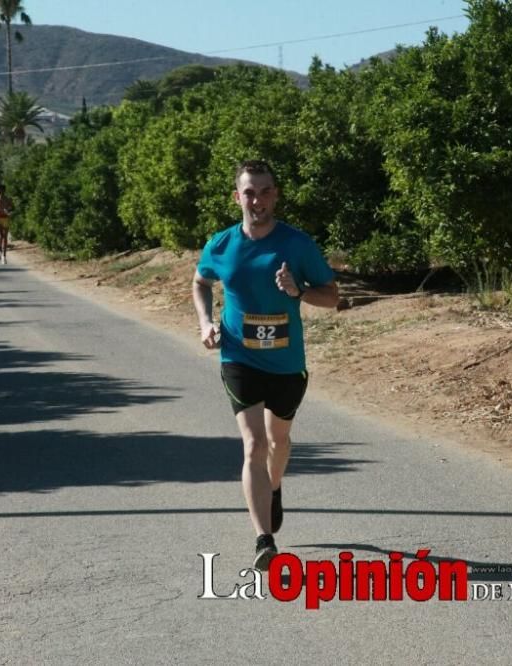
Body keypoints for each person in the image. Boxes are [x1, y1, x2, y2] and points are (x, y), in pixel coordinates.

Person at [192, 159, 339, 570]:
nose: (257, 200)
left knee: (280, 442)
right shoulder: (221, 245)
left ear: (276, 195)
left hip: (288, 364)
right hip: (238, 356)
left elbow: (333, 297)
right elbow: (201, 281)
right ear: (237, 197)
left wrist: (299, 290)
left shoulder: (297, 244)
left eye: (265, 191)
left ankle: (273, 488)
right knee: (254, 444)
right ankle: (264, 540)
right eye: (249, 192)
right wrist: (205, 322)